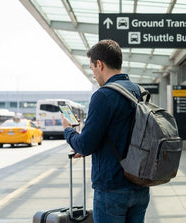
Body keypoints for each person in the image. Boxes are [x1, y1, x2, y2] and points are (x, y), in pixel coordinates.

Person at [61, 39, 150, 223]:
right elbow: (123, 134)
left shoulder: (103, 95)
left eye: (92, 68)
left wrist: (68, 130)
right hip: (140, 186)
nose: (93, 74)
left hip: (112, 189)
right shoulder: (139, 92)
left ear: (99, 64)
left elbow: (85, 145)